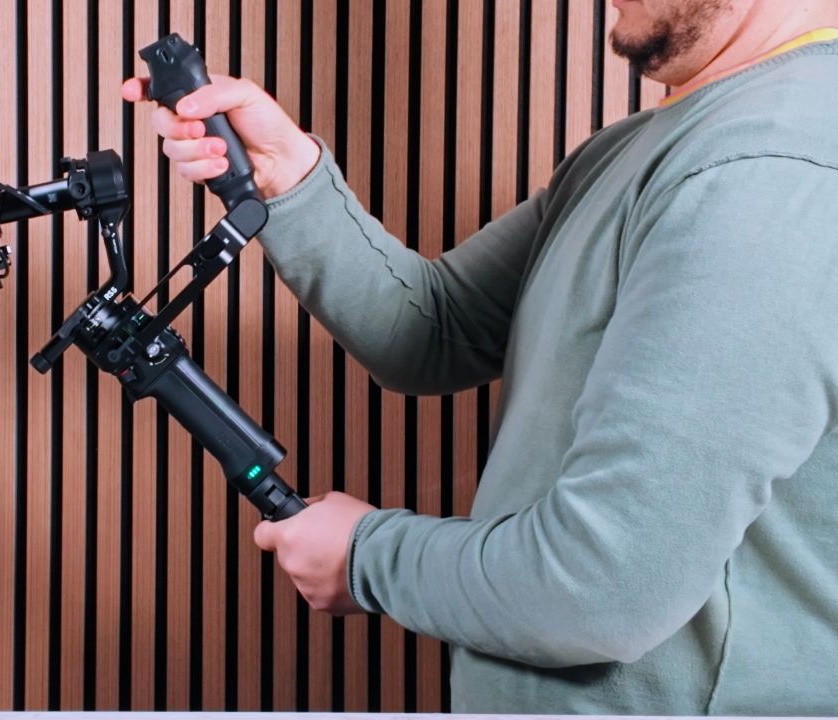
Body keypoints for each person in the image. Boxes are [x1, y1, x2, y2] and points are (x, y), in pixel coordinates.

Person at [123, 0, 838, 714]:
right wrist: (286, 174)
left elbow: (604, 587)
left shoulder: (767, 171)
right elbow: (434, 332)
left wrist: (367, 556)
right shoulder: (646, 146)